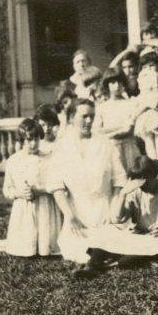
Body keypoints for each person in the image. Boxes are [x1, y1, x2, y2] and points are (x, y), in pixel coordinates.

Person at [73, 156, 158, 278]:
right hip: (139, 235)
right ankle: (90, 266)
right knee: (105, 231)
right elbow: (117, 219)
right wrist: (123, 194)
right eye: (138, 182)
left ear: (153, 175)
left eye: (145, 181)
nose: (142, 186)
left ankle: (107, 266)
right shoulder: (137, 190)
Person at [48, 99, 126, 264]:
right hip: (77, 213)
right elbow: (56, 186)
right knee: (76, 251)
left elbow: (120, 180)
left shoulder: (105, 144)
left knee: (111, 245)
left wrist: (113, 208)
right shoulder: (63, 147)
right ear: (71, 118)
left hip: (105, 212)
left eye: (92, 116)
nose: (89, 121)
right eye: (84, 116)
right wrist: (70, 216)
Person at [0, 119, 61, 257]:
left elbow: (56, 184)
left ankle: (45, 246)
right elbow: (7, 189)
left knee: (45, 239)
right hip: (23, 209)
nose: (33, 143)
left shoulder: (48, 159)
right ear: (21, 140)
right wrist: (19, 193)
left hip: (45, 206)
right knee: (26, 239)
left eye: (36, 139)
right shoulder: (13, 161)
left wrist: (40, 190)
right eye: (29, 140)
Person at [94, 68, 142, 173]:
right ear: (107, 85)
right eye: (112, 82)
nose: (117, 85)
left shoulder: (130, 104)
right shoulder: (101, 107)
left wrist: (108, 132)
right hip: (111, 149)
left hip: (129, 148)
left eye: (119, 82)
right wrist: (120, 128)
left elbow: (128, 130)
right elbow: (97, 131)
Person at [132, 48, 158, 162]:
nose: (148, 69)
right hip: (146, 112)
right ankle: (151, 159)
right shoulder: (142, 82)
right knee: (147, 135)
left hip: (157, 112)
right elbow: (141, 100)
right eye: (145, 67)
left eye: (151, 65)